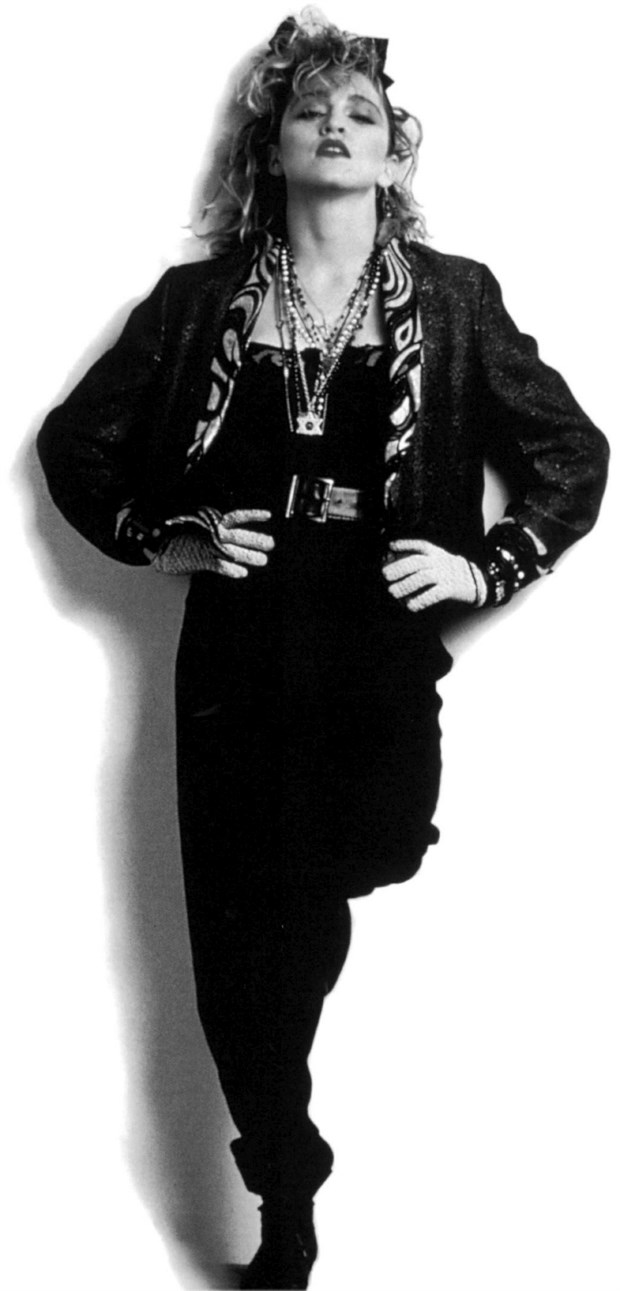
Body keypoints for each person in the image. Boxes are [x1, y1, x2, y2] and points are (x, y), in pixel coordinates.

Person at [37, 12, 609, 1289]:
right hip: (239, 643)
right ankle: (285, 1188)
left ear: (395, 154)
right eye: (310, 111)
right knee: (235, 941)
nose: (336, 126)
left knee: (358, 855)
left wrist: (483, 564)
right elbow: (75, 446)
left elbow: (570, 454)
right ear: (272, 149)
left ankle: (281, 1085)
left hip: (375, 638)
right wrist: (164, 536)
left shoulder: (452, 298)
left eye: (361, 114)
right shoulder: (199, 304)